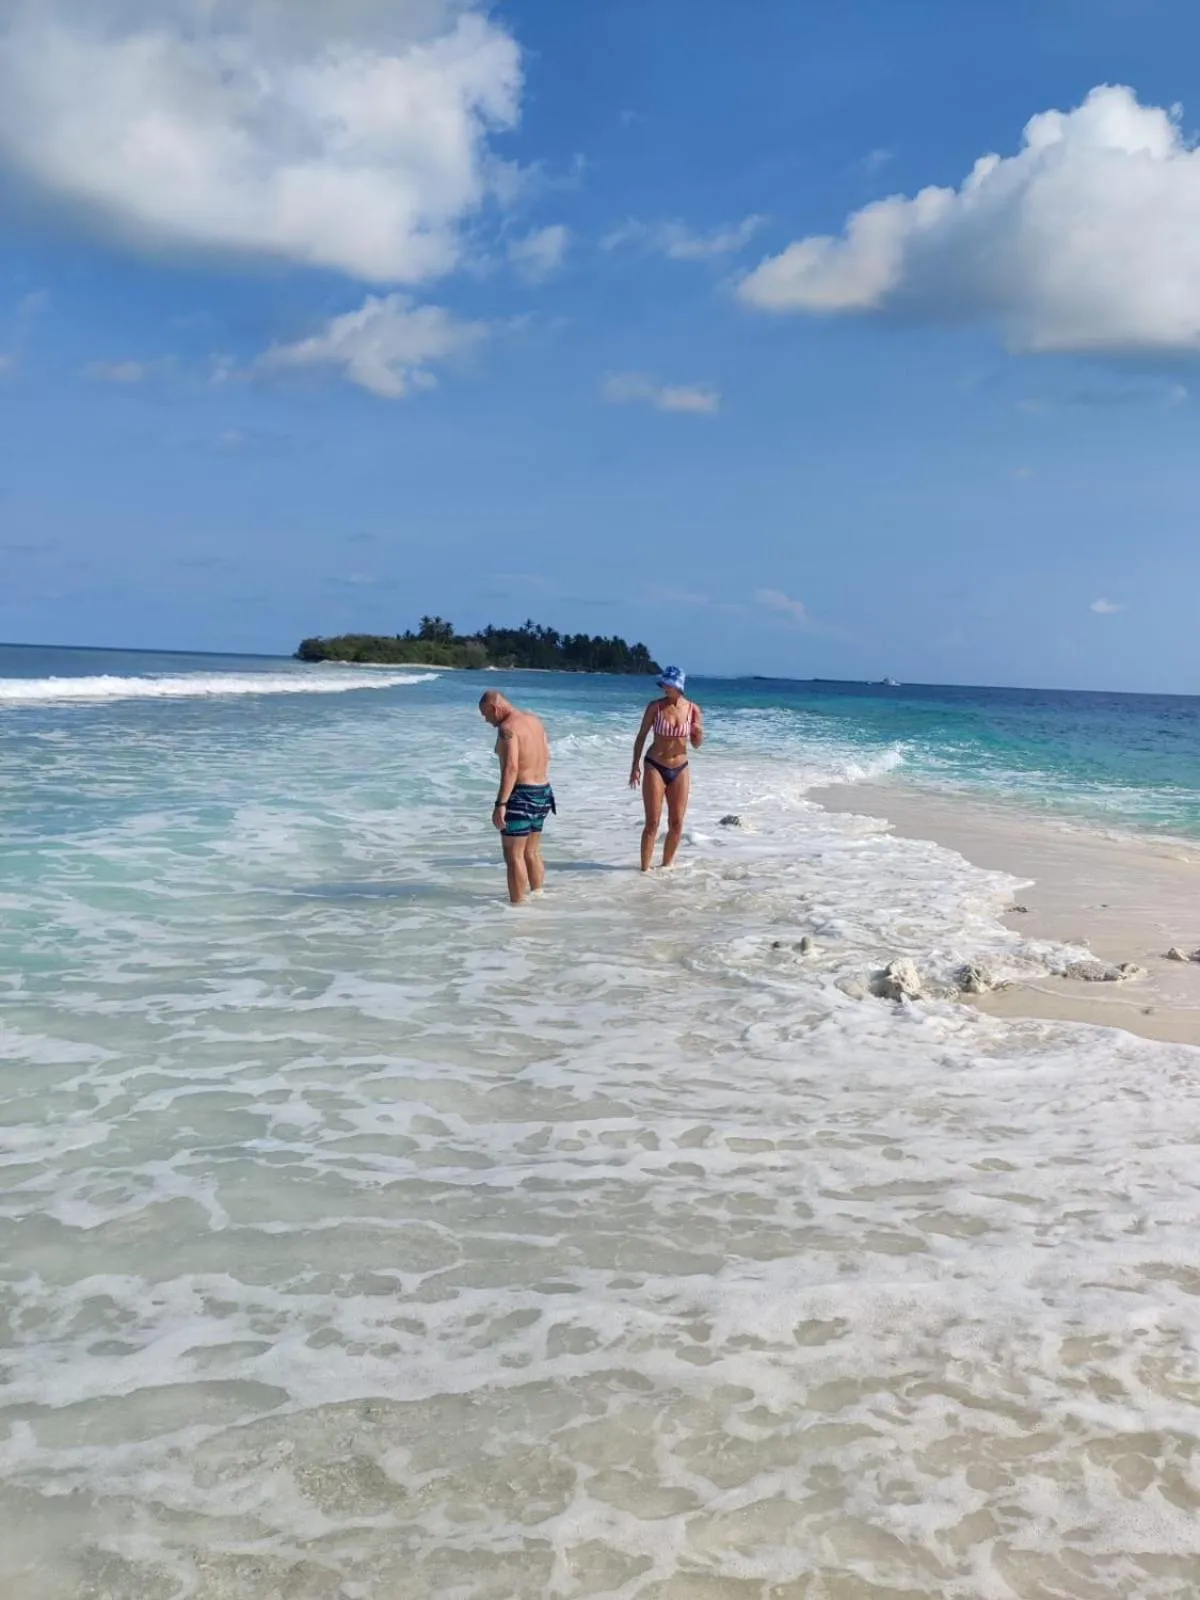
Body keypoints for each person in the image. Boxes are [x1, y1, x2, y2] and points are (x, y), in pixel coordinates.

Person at [479, 690, 555, 905]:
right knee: (532, 851)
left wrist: (501, 803)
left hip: (521, 794)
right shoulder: (534, 720)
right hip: (543, 791)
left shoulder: (507, 728)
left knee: (514, 855)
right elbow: (546, 755)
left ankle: (518, 908)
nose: (487, 721)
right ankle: (539, 895)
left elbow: (511, 767)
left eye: (486, 715)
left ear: (495, 708)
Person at [629, 666, 704, 871]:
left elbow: (696, 745)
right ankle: (644, 870)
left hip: (681, 766)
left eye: (668, 684)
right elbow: (642, 735)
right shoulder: (655, 707)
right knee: (652, 822)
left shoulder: (693, 709)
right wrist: (635, 765)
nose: (664, 687)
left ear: (678, 686)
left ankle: (666, 867)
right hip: (655, 764)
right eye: (663, 684)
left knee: (677, 822)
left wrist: (698, 733)